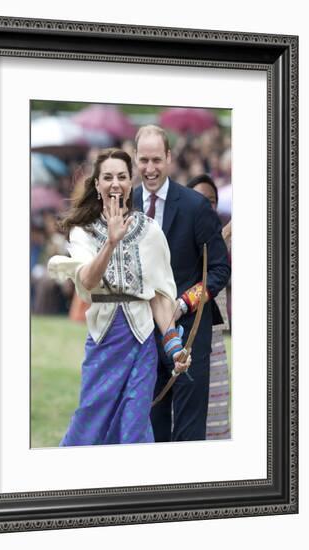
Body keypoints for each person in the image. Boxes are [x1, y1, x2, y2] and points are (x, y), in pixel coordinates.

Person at [48, 148, 190, 446]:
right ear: (97, 185)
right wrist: (111, 243)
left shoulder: (150, 231)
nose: (115, 183)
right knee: (91, 417)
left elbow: (159, 297)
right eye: (108, 177)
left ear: (131, 181)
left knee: (134, 425)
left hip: (142, 342)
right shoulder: (82, 232)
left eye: (122, 177)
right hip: (104, 339)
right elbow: (87, 280)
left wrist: (174, 346)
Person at [133, 125, 231, 441]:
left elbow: (218, 270)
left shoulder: (195, 206)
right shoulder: (125, 206)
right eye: (144, 160)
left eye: (156, 160)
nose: (150, 168)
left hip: (188, 330)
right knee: (150, 427)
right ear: (135, 159)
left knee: (188, 434)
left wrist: (184, 303)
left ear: (170, 158)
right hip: (140, 334)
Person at [187, 174, 231, 440]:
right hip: (185, 337)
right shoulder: (180, 239)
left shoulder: (221, 243)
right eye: (199, 201)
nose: (206, 207)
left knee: (216, 414)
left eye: (211, 202)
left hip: (215, 340)